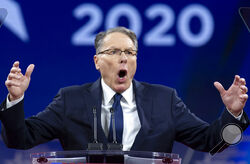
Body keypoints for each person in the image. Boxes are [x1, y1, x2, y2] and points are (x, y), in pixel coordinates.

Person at [0, 27, 249, 153]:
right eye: (113, 52)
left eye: (130, 53)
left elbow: (212, 143)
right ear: (97, 61)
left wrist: (233, 116)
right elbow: (19, 139)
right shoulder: (70, 99)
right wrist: (15, 98)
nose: (123, 59)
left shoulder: (165, 99)